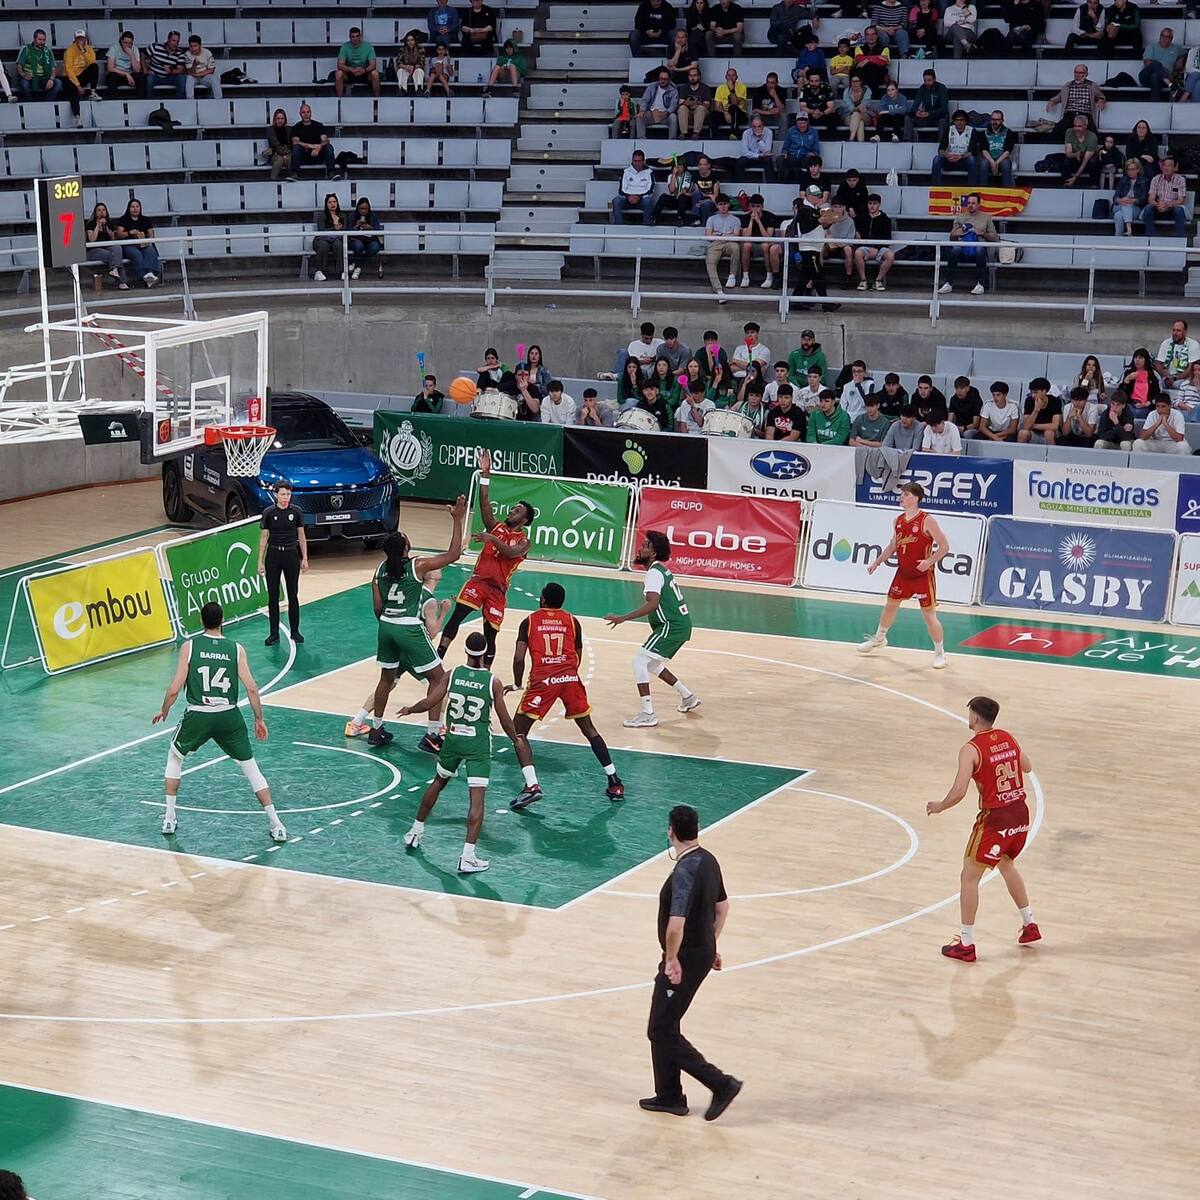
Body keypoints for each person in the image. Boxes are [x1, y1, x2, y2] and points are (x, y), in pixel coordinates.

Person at [152, 601, 287, 843]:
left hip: (199, 714)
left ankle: (169, 818)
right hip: (229, 715)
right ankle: (276, 824)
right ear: (222, 621)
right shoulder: (236, 649)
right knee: (251, 769)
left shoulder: (190, 647)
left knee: (175, 758)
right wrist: (259, 719)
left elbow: (174, 689)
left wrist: (164, 710)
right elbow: (253, 689)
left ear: (202, 621)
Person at [642, 804, 742, 1121]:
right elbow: (722, 908)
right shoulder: (709, 860)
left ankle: (721, 1083)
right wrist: (711, 943)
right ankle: (669, 1095)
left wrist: (672, 959)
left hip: (683, 959)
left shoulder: (685, 870)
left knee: (660, 1030)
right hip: (699, 951)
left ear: (671, 830)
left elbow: (676, 925)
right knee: (666, 1023)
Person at [928, 696, 1040, 962]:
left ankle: (966, 943)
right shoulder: (1008, 737)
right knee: (1006, 863)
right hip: (1020, 813)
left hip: (996, 818)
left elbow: (958, 792)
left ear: (975, 717)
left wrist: (940, 806)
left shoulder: (971, 749)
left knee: (969, 877)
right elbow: (1027, 766)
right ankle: (1029, 924)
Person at [345, 501, 464, 749]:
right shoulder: (416, 565)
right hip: (407, 626)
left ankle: (376, 730)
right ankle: (432, 735)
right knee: (439, 679)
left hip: (386, 626)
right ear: (406, 549)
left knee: (386, 680)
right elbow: (453, 555)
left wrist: (389, 624)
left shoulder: (379, 570)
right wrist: (457, 519)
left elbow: (377, 608)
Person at [399, 631, 517, 874]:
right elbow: (505, 720)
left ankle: (415, 831)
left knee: (438, 782)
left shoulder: (453, 675)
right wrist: (516, 739)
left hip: (453, 741)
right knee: (477, 799)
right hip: (477, 746)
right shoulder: (493, 681)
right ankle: (468, 856)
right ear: (485, 653)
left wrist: (410, 709)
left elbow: (430, 701)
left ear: (466, 651)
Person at [508, 582, 625, 810]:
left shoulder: (529, 621)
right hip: (570, 678)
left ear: (542, 599)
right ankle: (614, 781)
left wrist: (517, 683)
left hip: (543, 681)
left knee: (518, 732)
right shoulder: (572, 620)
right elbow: (578, 652)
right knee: (589, 730)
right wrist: (567, 673)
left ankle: (532, 785)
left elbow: (519, 658)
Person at [438, 450, 532, 667]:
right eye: (512, 508)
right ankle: (439, 657)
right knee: (457, 616)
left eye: (517, 510)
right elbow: (484, 503)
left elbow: (511, 553)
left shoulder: (525, 541)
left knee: (490, 634)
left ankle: (485, 671)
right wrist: (485, 474)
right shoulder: (496, 526)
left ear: (524, 519)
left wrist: (490, 539)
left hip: (497, 591)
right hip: (478, 582)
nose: (511, 511)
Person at [606, 530, 700, 729]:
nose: (640, 548)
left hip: (671, 626)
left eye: (646, 546)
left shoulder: (654, 573)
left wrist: (623, 618)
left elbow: (653, 603)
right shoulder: (659, 570)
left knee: (639, 661)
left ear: (654, 554)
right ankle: (688, 697)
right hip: (677, 625)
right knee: (651, 664)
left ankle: (648, 713)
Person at [857, 482, 949, 669]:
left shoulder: (927, 520)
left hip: (922, 575)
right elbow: (893, 546)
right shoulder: (898, 520)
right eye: (901, 494)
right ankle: (880, 639)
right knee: (890, 606)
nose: (901, 497)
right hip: (903, 573)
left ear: (915, 498)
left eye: (906, 494)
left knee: (929, 616)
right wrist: (877, 562)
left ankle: (940, 653)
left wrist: (929, 562)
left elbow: (944, 546)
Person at [255, 481, 307, 646]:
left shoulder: (296, 511)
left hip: (291, 554)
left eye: (289, 494)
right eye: (283, 494)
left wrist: (304, 557)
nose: (286, 498)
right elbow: (264, 538)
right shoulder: (268, 513)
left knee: (293, 595)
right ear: (276, 494)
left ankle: (295, 631)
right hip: (274, 555)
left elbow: (301, 535)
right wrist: (260, 562)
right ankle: (273, 634)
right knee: (273, 597)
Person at [937, 192, 997, 296]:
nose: (970, 205)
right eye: (968, 203)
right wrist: (955, 234)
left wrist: (982, 233)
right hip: (963, 247)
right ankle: (948, 283)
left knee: (980, 250)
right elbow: (952, 238)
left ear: (979, 204)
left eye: (973, 203)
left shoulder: (986, 218)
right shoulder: (960, 218)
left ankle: (980, 284)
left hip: (978, 247)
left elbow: (994, 237)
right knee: (954, 250)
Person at [114, 198, 161, 288]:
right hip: (128, 245)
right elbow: (119, 234)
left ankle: (150, 273)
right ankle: (142, 276)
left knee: (150, 251)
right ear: (129, 208)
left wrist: (147, 241)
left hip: (143, 244)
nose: (135, 209)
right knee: (136, 253)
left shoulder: (145, 219)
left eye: (137, 206)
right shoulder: (124, 219)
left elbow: (151, 233)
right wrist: (130, 232)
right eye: (132, 207)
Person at [703, 194, 742, 301]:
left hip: (728, 244)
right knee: (710, 262)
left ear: (728, 205)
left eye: (725, 204)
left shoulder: (735, 220)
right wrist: (727, 235)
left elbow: (736, 237)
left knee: (735, 247)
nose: (723, 207)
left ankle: (732, 275)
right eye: (720, 204)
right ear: (716, 206)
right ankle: (719, 291)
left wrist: (718, 234)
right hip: (715, 245)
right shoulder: (711, 219)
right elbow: (708, 236)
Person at [854, 193, 896, 292]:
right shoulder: (861, 218)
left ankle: (878, 280)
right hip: (865, 247)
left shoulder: (885, 220)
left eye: (875, 203)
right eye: (870, 203)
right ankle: (863, 280)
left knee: (890, 255)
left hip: (880, 247)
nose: (872, 206)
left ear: (879, 204)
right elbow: (857, 232)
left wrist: (876, 249)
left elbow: (887, 238)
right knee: (857, 253)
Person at [1046, 64, 1105, 134]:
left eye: (1080, 73)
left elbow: (1100, 96)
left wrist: (1101, 100)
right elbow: (1059, 97)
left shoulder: (1092, 85)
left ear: (1086, 74)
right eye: (1076, 72)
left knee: (1092, 133)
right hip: (1070, 114)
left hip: (1085, 115)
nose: (1077, 75)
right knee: (1057, 131)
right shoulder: (1068, 85)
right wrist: (1052, 101)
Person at [1141, 156, 1189, 239]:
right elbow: (1151, 199)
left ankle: (1179, 239)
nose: (1166, 168)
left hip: (1172, 208)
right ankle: (1150, 238)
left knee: (1178, 210)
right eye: (1164, 165)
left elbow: (1181, 200)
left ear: (1175, 168)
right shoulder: (1155, 179)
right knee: (1148, 209)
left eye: (1169, 165)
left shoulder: (1180, 180)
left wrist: (1168, 205)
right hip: (1158, 208)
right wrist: (1158, 205)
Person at [85, 203, 127, 291]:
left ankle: (114, 269)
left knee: (117, 248)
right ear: (95, 213)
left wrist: (107, 229)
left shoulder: (109, 223)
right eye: (99, 210)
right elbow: (92, 239)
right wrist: (97, 226)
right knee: (113, 256)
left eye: (103, 210)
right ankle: (122, 281)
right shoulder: (90, 224)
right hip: (93, 250)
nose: (101, 212)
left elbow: (113, 238)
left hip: (106, 246)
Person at [62, 29, 101, 125]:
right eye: (78, 38)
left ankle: (93, 92)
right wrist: (78, 85)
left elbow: (91, 62)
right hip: (69, 78)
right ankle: (77, 116)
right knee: (73, 89)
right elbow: (69, 70)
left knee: (95, 67)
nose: (81, 40)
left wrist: (83, 51)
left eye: (82, 38)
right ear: (75, 39)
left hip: (81, 75)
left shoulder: (89, 49)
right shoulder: (69, 51)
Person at [931, 110, 978, 185]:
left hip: (963, 161)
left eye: (961, 120)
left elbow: (972, 152)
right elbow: (941, 149)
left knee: (971, 160)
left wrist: (960, 156)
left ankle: (973, 188)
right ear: (954, 121)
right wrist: (947, 155)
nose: (959, 122)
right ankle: (936, 187)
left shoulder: (972, 131)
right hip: (950, 160)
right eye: (957, 120)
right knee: (937, 159)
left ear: (966, 121)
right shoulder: (949, 129)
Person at [291, 103, 337, 179]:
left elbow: (325, 140)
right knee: (296, 148)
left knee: (329, 147)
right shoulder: (296, 127)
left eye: (308, 112)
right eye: (303, 112)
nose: (306, 114)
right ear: (300, 114)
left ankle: (331, 173)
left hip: (318, 154)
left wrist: (318, 147)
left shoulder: (318, 125)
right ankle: (295, 173)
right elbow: (295, 142)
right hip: (304, 155)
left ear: (311, 113)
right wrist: (311, 146)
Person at [904, 68, 950, 143]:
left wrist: (929, 113)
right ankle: (907, 141)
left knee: (942, 121)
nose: (927, 83)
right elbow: (914, 107)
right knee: (908, 117)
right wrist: (917, 112)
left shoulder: (942, 88)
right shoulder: (922, 88)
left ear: (934, 79)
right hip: (926, 117)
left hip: (938, 117)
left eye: (929, 80)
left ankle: (942, 145)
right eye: (925, 80)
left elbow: (944, 109)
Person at [16, 28, 62, 102]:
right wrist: (24, 75)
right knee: (24, 84)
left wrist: (51, 79)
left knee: (58, 83)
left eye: (44, 40)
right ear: (34, 39)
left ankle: (47, 103)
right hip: (29, 78)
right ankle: (31, 104)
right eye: (40, 40)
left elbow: (53, 68)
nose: (42, 42)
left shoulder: (48, 50)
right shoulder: (26, 49)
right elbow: (19, 66)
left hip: (43, 77)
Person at [612, 150, 656, 226]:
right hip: (627, 199)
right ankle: (618, 227)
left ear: (643, 161)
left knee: (648, 201)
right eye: (635, 161)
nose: (637, 163)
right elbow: (621, 190)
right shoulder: (626, 172)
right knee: (616, 201)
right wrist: (629, 197)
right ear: (632, 161)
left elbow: (651, 190)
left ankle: (647, 225)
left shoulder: (649, 172)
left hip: (642, 200)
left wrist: (639, 197)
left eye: (639, 161)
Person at [1139, 26, 1183, 102]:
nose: (1164, 38)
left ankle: (1156, 105)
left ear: (1171, 39)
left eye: (1167, 36)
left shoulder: (1177, 48)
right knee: (1155, 64)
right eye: (1162, 35)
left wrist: (1181, 59)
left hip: (1161, 80)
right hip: (1146, 77)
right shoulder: (1151, 47)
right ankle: (1171, 85)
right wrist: (1163, 70)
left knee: (1155, 76)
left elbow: (1186, 54)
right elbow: (1147, 63)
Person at [336, 25, 380, 97]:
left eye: (357, 36)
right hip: (349, 73)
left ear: (360, 36)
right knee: (338, 73)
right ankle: (339, 100)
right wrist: (351, 69)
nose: (355, 39)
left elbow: (373, 64)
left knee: (375, 74)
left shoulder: (368, 46)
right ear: (349, 37)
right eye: (353, 36)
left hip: (364, 72)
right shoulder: (345, 46)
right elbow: (340, 65)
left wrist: (364, 70)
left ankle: (378, 99)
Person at [141, 30, 187, 99]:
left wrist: (171, 71)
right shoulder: (155, 47)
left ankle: (180, 101)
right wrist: (145, 70)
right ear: (168, 40)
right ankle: (149, 101)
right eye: (173, 41)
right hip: (155, 76)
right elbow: (142, 55)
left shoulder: (179, 53)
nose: (175, 44)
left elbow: (180, 70)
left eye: (177, 41)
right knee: (149, 79)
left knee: (182, 78)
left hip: (170, 77)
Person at [776, 113, 822, 182]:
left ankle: (804, 182)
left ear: (807, 122)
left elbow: (816, 150)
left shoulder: (813, 132)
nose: (802, 126)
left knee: (813, 161)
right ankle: (782, 182)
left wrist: (812, 154)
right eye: (799, 123)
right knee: (780, 159)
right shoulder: (791, 131)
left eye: (804, 123)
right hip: (791, 156)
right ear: (796, 123)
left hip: (805, 157)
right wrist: (784, 153)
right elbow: (785, 147)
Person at [976, 111, 1017, 188]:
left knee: (1006, 164)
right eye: (993, 119)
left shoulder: (1008, 133)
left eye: (998, 119)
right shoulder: (984, 133)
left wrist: (996, 162)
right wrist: (992, 162)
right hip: (988, 159)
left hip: (1003, 159)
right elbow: (984, 150)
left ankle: (1007, 192)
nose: (995, 122)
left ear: (1002, 120)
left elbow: (1007, 151)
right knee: (983, 164)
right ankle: (981, 192)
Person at [312, 192, 346, 282]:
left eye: (334, 202)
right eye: (330, 202)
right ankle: (319, 272)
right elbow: (321, 230)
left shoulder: (342, 216)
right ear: (326, 204)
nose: (332, 204)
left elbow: (345, 230)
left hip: (337, 239)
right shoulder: (322, 215)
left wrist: (338, 230)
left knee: (339, 245)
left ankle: (342, 271)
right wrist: (334, 228)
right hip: (322, 239)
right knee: (323, 245)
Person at [1154, 319, 1200, 386]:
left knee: (1180, 385)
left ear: (1185, 332)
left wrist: (1175, 378)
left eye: (1178, 330)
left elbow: (1191, 368)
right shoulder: (1166, 343)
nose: (1175, 333)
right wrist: (1167, 377)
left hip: (1184, 379)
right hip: (1166, 377)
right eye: (1174, 330)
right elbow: (1158, 364)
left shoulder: (1193, 344)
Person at [1017, 377, 1061, 445]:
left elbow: (1054, 426)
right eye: (1032, 393)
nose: (1033, 395)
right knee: (1023, 433)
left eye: (1036, 392)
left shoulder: (1055, 401)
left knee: (1049, 433)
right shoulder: (1029, 401)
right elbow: (1026, 426)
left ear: (1044, 391)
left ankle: (1053, 455)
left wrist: (1033, 425)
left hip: (1049, 433)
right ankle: (1019, 454)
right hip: (1033, 433)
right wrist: (1036, 409)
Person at [638, 68, 679, 139]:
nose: (662, 81)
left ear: (669, 80)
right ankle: (641, 140)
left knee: (673, 117)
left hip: (665, 115)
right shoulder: (652, 86)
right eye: (661, 78)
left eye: (665, 79)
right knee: (640, 116)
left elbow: (674, 105)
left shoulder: (673, 90)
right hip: (651, 113)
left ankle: (672, 140)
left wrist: (666, 113)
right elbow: (645, 100)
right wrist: (642, 110)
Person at [348, 197, 383, 279]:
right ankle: (358, 268)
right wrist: (356, 225)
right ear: (357, 208)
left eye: (366, 209)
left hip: (370, 239)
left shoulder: (373, 216)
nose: (363, 211)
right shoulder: (352, 215)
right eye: (361, 208)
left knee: (375, 247)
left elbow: (378, 230)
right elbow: (348, 231)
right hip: (355, 239)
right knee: (359, 246)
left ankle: (357, 264)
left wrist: (370, 228)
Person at [1112, 159, 1149, 236]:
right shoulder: (1123, 180)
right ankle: (1129, 229)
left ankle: (1117, 239)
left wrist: (1133, 200)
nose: (1130, 171)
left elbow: (1144, 199)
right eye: (1128, 169)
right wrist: (1121, 200)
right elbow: (1115, 197)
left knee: (1118, 216)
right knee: (1126, 205)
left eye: (1132, 169)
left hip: (1135, 208)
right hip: (1119, 206)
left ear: (1138, 169)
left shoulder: (1144, 181)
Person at [1062, 114, 1099, 188]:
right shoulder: (1069, 132)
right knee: (1067, 162)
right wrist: (1076, 154)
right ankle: (1066, 183)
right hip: (1077, 158)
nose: (1076, 128)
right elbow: (1068, 153)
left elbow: (1085, 161)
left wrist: (1075, 177)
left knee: (1093, 162)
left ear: (1085, 126)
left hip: (1087, 161)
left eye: (1079, 126)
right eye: (1075, 126)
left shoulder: (1092, 137)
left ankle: (1094, 185)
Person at [676, 65, 711, 138]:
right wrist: (687, 103)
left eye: (695, 75)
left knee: (700, 108)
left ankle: (696, 133)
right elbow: (680, 104)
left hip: (702, 114)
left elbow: (707, 106)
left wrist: (697, 103)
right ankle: (683, 133)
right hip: (688, 114)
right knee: (682, 108)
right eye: (690, 75)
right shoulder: (684, 88)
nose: (692, 78)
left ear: (699, 77)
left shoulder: (705, 88)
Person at [105, 30, 143, 97]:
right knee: (111, 77)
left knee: (140, 78)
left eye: (130, 43)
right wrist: (126, 74)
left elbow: (137, 70)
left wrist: (132, 55)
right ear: (121, 41)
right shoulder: (114, 48)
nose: (127, 45)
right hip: (117, 74)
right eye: (125, 43)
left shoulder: (135, 49)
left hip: (130, 75)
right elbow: (110, 68)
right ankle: (113, 101)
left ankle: (139, 101)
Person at [713, 67, 749, 138]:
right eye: (729, 75)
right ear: (725, 77)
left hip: (740, 115)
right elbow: (717, 106)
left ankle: (734, 134)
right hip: (726, 115)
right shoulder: (720, 88)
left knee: (733, 108)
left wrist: (732, 89)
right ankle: (713, 137)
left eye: (733, 75)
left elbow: (735, 103)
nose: (731, 77)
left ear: (737, 77)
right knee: (713, 115)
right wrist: (725, 113)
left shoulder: (742, 87)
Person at [738, 115, 775, 180]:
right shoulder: (746, 133)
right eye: (754, 127)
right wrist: (758, 155)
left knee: (768, 161)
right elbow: (744, 152)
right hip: (750, 158)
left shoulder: (768, 132)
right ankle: (741, 185)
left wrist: (760, 139)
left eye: (759, 126)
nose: (757, 129)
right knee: (741, 161)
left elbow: (767, 151)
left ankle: (770, 186)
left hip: (763, 159)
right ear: (751, 126)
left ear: (763, 125)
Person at [184, 34, 221, 99]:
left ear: (200, 45)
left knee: (214, 79)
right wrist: (194, 64)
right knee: (189, 79)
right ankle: (190, 102)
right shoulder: (187, 54)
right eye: (191, 46)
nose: (193, 49)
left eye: (195, 46)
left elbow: (211, 70)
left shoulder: (207, 52)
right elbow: (190, 72)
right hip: (193, 77)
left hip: (205, 76)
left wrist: (199, 74)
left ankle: (219, 100)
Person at [265, 108, 291, 181]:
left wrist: (286, 154)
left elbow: (291, 144)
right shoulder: (270, 130)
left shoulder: (289, 129)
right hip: (275, 153)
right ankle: (273, 179)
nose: (280, 120)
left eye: (282, 118)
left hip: (288, 152)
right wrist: (284, 155)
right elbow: (276, 144)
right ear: (275, 119)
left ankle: (292, 177)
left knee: (290, 158)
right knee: (279, 160)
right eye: (278, 118)